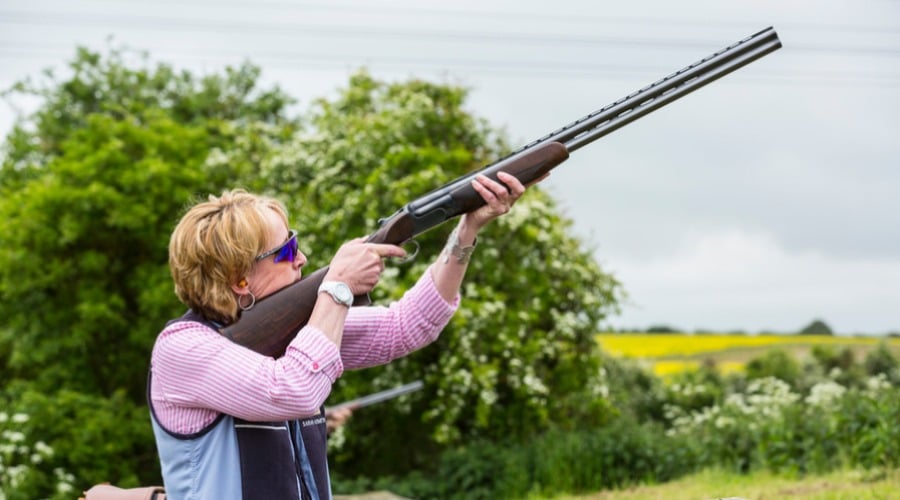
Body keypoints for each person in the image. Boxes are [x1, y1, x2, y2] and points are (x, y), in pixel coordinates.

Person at [148, 171, 532, 500]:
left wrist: (466, 232)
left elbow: (408, 326)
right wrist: (338, 288)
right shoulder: (183, 348)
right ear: (239, 279)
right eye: (286, 251)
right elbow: (294, 389)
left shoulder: (295, 331)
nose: (301, 258)